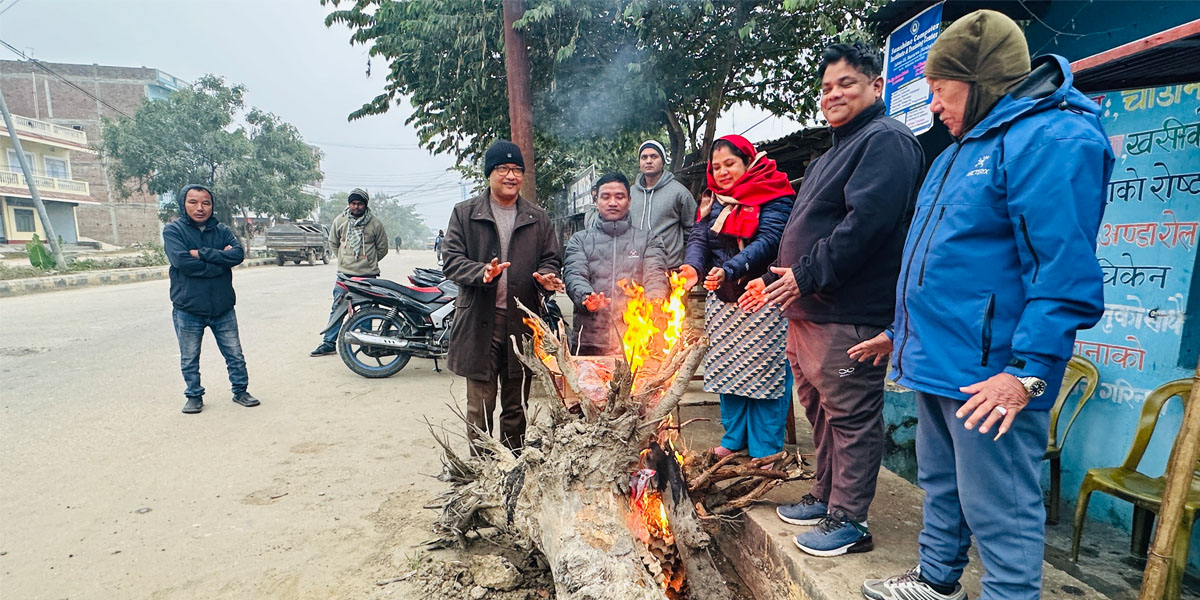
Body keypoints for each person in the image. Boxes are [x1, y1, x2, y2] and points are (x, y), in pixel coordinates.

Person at [849, 11, 1112, 600]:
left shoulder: (1052, 139)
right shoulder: (955, 154)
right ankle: (937, 581)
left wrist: (1028, 376)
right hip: (939, 357)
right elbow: (938, 264)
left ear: (981, 81)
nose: (935, 107)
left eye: (941, 92)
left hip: (993, 373)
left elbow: (1062, 274)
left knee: (1002, 508)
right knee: (941, 484)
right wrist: (902, 330)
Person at [743, 42, 924, 557]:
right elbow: (807, 229)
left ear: (876, 85)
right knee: (819, 411)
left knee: (850, 415)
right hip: (810, 309)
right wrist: (782, 277)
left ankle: (851, 519)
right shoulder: (832, 152)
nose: (834, 94)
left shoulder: (886, 141)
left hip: (849, 312)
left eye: (846, 83)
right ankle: (826, 496)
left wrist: (806, 274)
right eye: (826, 88)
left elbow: (864, 227)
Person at [442, 140, 563, 452]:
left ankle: (511, 468)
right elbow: (452, 261)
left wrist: (546, 278)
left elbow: (551, 258)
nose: (511, 176)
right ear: (489, 174)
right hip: (478, 322)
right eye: (503, 169)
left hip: (520, 324)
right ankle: (483, 472)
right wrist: (480, 273)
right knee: (479, 407)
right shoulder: (465, 214)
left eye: (517, 170)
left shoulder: (537, 218)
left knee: (515, 406)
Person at [680, 134, 794, 463]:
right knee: (730, 372)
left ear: (748, 161)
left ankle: (766, 446)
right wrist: (693, 266)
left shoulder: (774, 192)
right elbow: (700, 236)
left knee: (766, 373)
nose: (723, 172)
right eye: (717, 167)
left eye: (730, 164)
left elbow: (771, 239)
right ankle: (734, 438)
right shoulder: (713, 199)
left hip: (764, 295)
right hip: (724, 297)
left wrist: (730, 268)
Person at [162, 184, 260, 414]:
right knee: (189, 357)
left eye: (206, 203)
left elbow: (236, 255)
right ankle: (194, 396)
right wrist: (219, 262)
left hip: (222, 307)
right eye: (193, 202)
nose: (200, 208)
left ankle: (240, 391)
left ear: (212, 205)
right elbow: (182, 263)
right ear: (183, 204)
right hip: (188, 308)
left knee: (234, 353)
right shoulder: (173, 231)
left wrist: (202, 253)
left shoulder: (222, 230)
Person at [563, 172, 669, 356]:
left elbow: (656, 275)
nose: (613, 202)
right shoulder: (579, 240)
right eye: (605, 197)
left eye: (619, 196)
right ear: (596, 200)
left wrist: (655, 301)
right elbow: (574, 274)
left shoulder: (649, 240)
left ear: (629, 200)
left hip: (637, 339)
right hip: (590, 341)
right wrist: (587, 297)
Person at [311, 188, 390, 357]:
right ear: (349, 204)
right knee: (337, 308)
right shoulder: (340, 221)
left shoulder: (375, 224)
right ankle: (329, 343)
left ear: (365, 205)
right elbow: (333, 242)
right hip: (344, 276)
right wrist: (343, 259)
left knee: (367, 310)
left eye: (359, 204)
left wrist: (368, 261)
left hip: (368, 276)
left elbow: (382, 249)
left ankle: (367, 342)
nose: (356, 207)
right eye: (353, 203)